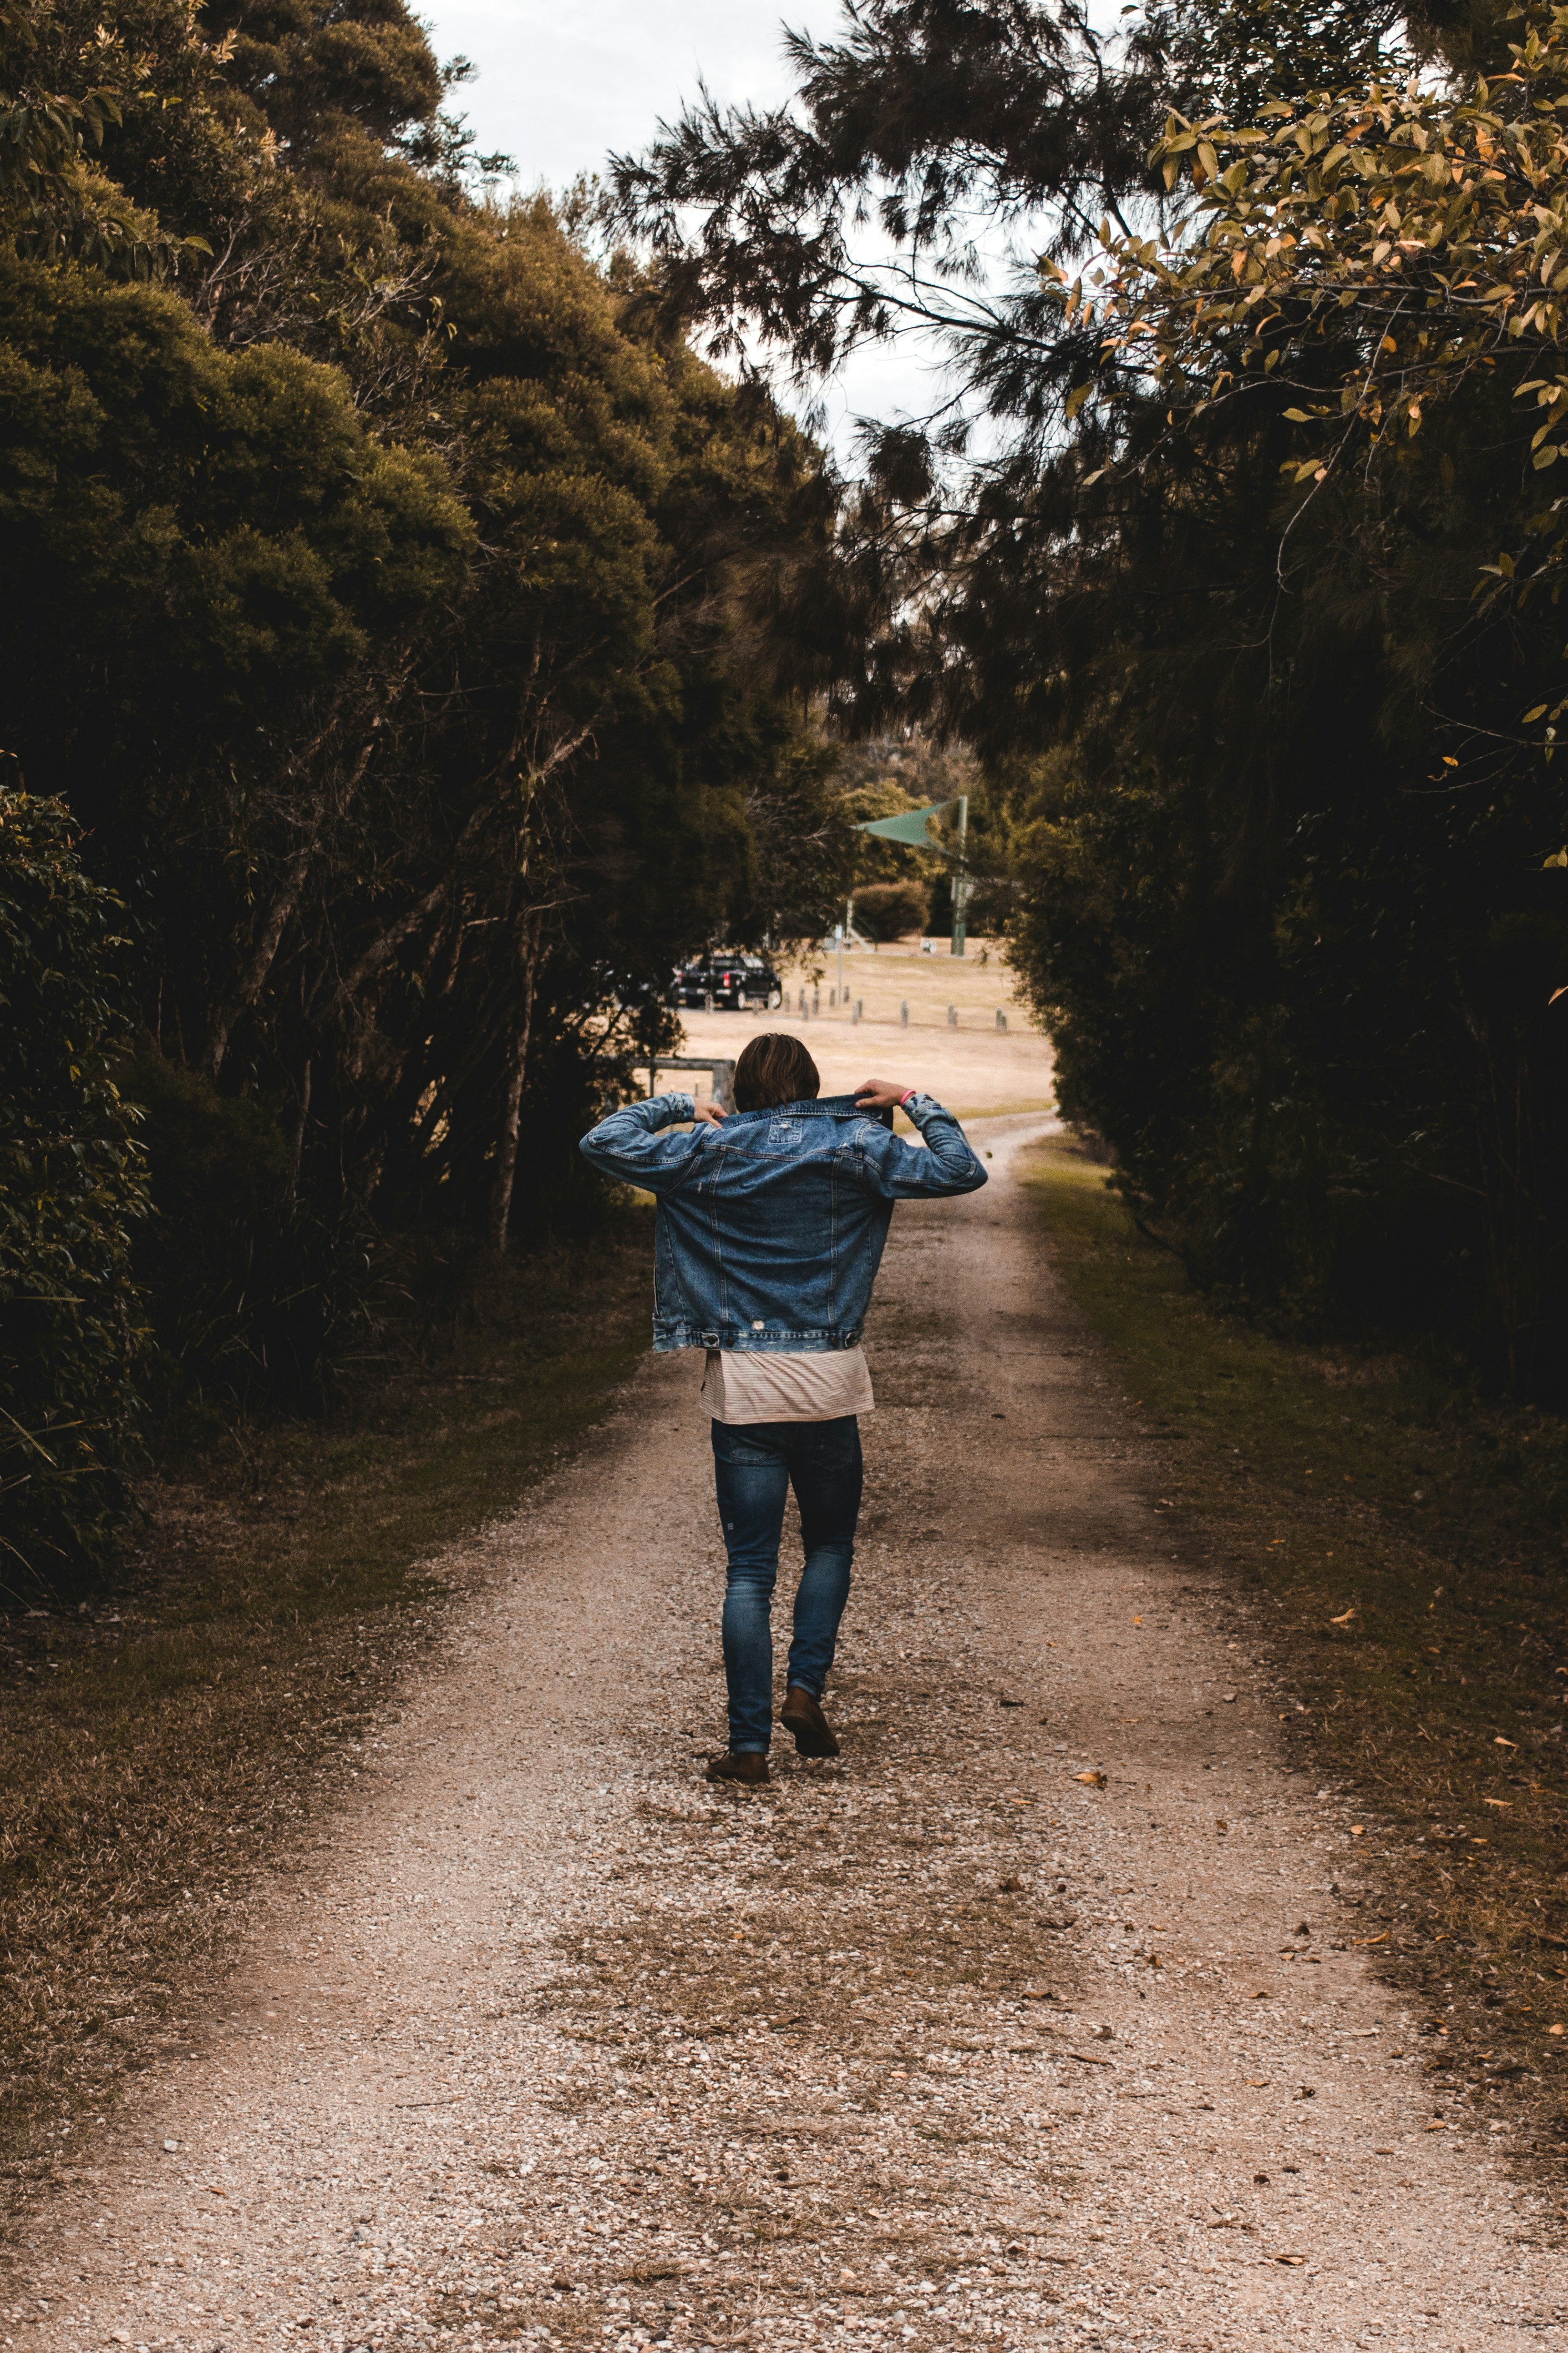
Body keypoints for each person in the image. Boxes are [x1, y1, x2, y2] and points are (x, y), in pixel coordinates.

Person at [579, 1032, 987, 1785]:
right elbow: (963, 1169)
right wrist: (909, 1100)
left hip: (745, 1386)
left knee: (749, 1571)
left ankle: (749, 1747)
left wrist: (677, 1103)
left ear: (741, 1087)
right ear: (811, 1082)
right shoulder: (857, 1145)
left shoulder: (708, 1149)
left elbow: (602, 1142)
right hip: (830, 1382)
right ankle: (804, 1689)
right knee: (829, 1546)